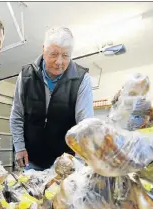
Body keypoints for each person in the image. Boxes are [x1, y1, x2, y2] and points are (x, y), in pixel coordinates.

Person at [10, 26, 94, 171]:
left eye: (66, 55)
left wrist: (79, 162)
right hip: (31, 158)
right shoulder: (25, 76)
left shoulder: (82, 79)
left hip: (66, 161)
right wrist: (19, 147)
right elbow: (17, 115)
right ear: (44, 50)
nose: (59, 62)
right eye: (54, 54)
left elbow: (85, 125)